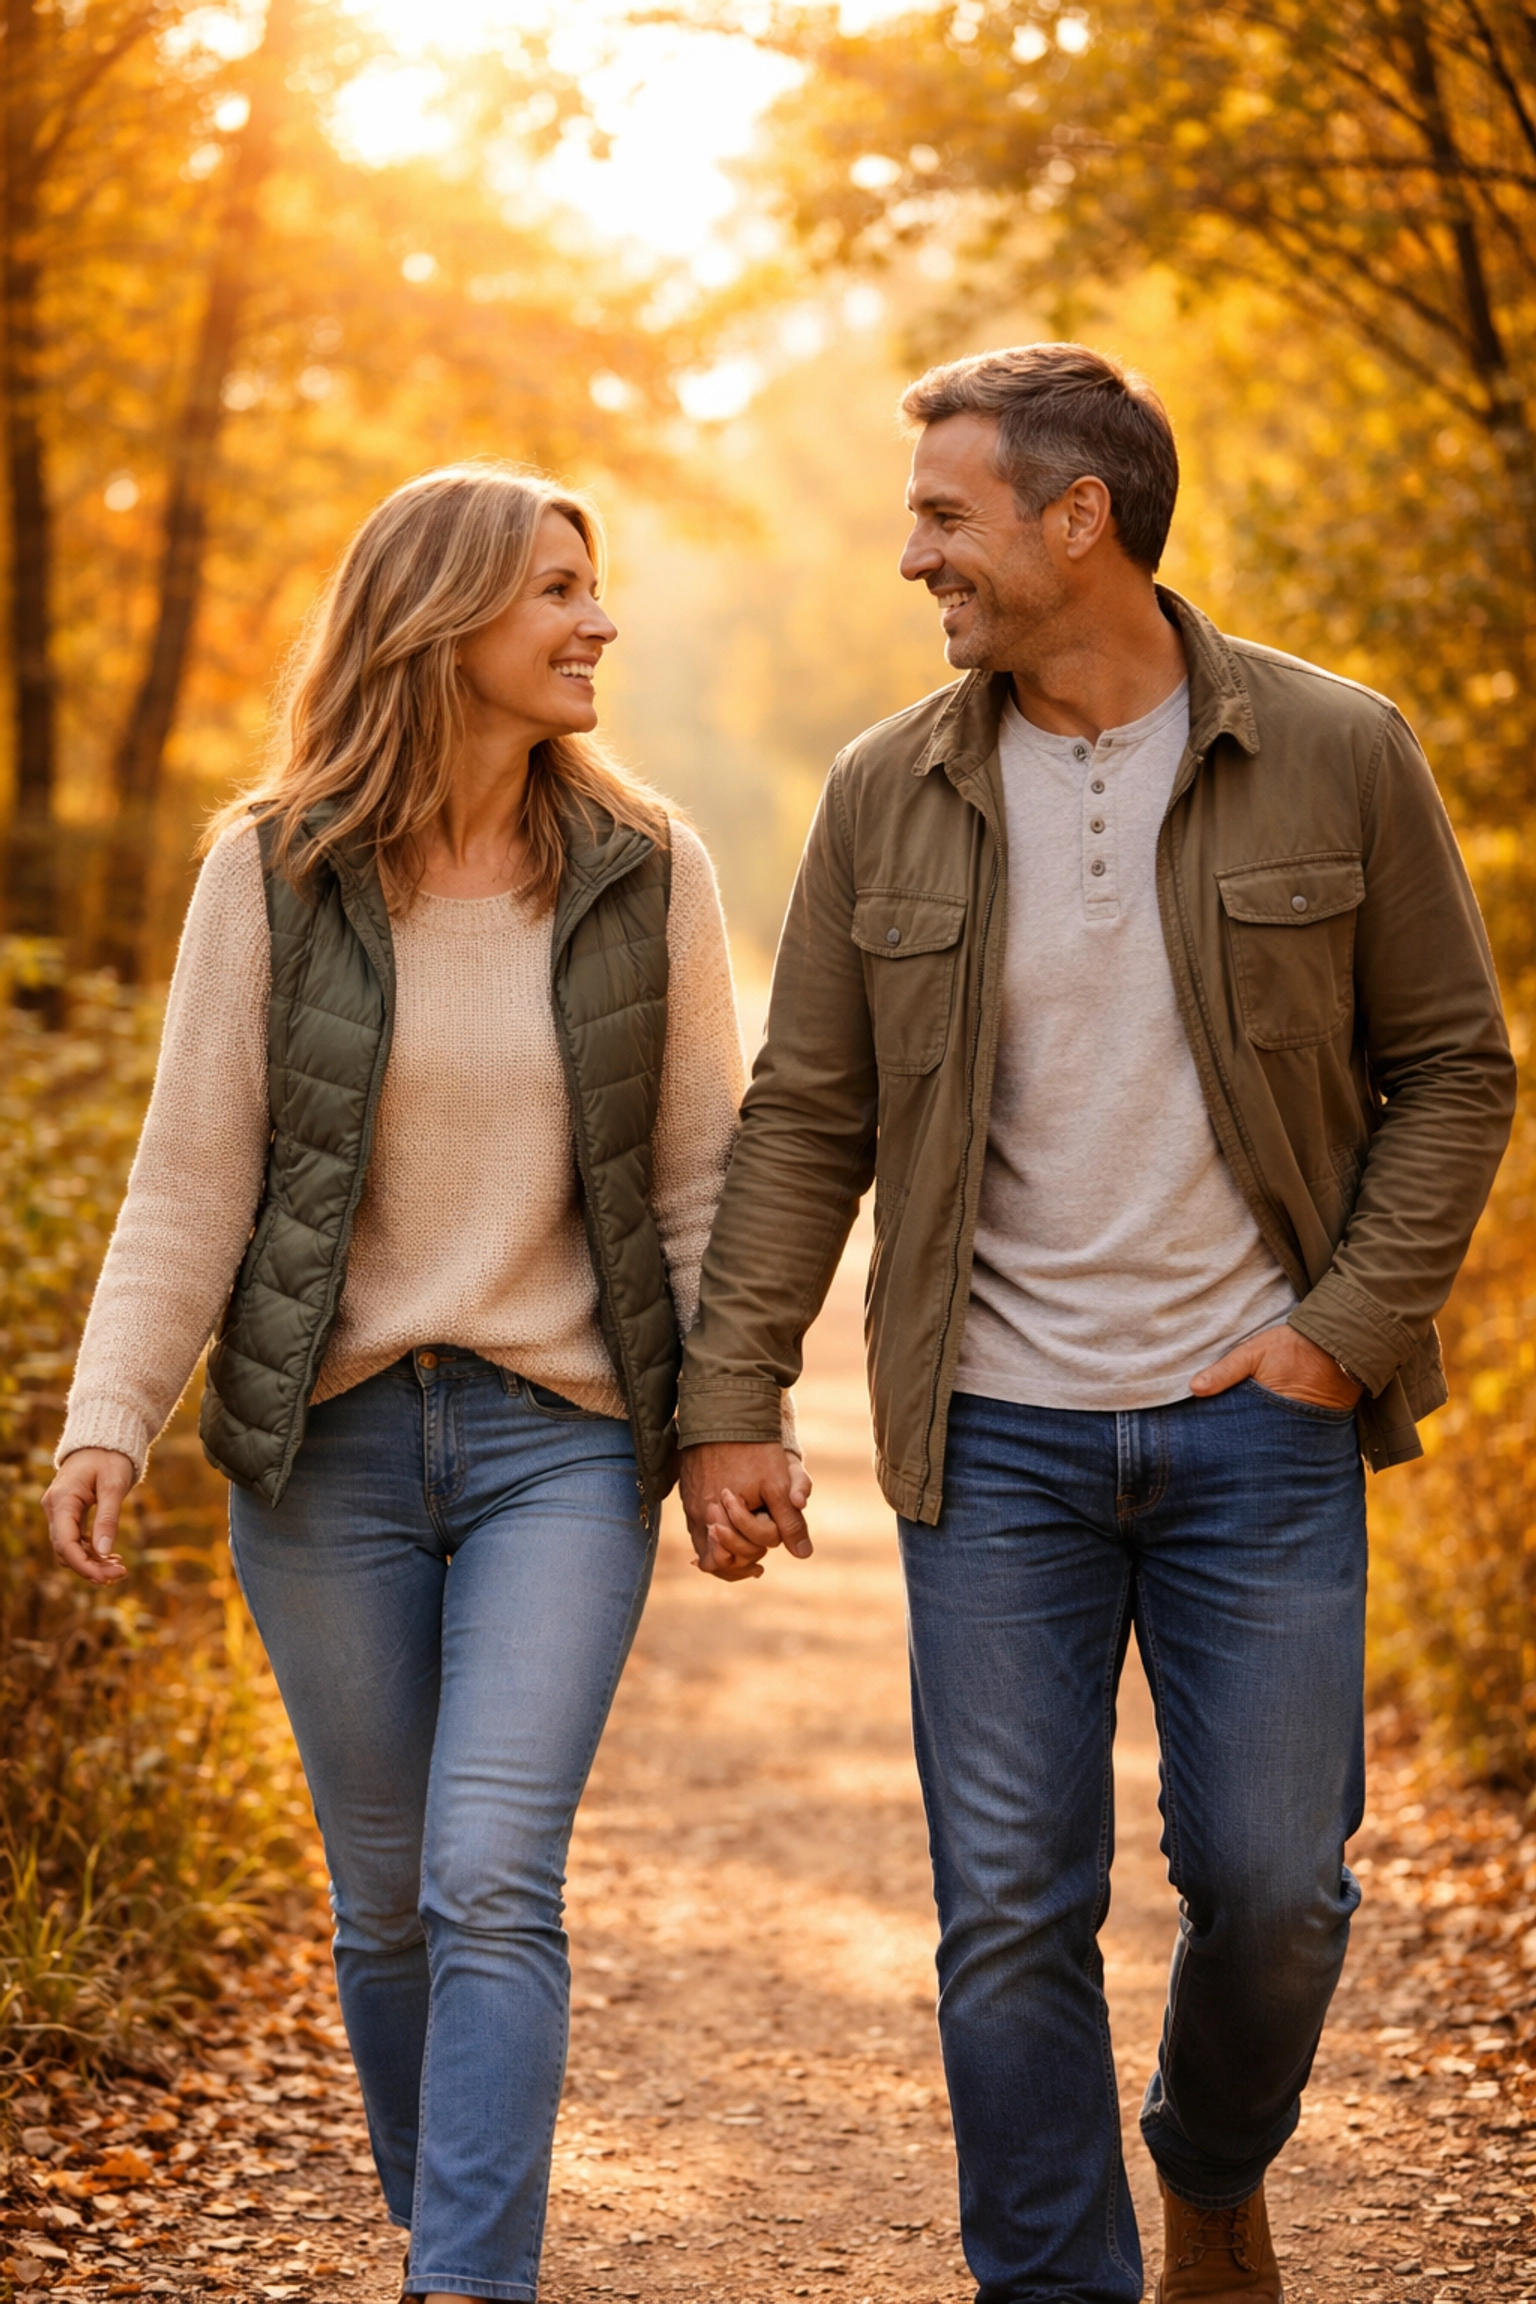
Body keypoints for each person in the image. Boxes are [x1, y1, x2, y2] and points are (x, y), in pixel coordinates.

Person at [675, 345, 1515, 2302]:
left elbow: (1456, 1070)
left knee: (1278, 1894)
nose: (914, 557)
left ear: (1083, 519)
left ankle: (1212, 2160)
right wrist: (731, 1401)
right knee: (1007, 1913)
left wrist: (1336, 1334)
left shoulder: (1338, 750)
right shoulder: (886, 790)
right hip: (995, 1439)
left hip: (1259, 1426)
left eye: (945, 516)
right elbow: (807, 1115)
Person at [44, 463, 797, 2304]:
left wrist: (736, 1420)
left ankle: (467, 2277)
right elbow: (193, 1178)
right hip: (332, 1454)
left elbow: (701, 1180)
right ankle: (441, 2209)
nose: (598, 621)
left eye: (593, 585)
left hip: (563, 1444)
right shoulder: (273, 868)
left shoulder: (649, 868)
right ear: (442, 619)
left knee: (489, 1876)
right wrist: (110, 1413)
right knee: (385, 1905)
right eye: (557, 589)